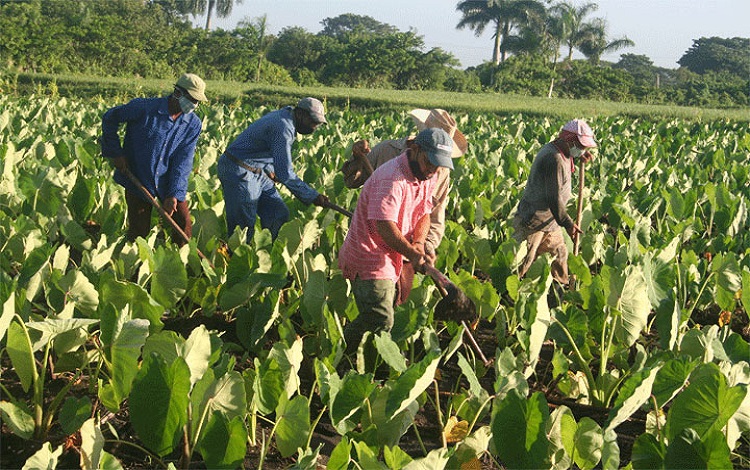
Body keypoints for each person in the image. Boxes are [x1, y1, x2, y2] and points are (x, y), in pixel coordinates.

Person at [338, 127, 455, 355]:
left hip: (392, 256)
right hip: (369, 255)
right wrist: (411, 252)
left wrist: (419, 244)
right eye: (429, 161)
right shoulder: (391, 178)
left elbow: (424, 214)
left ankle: (353, 355)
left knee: (382, 313)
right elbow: (385, 228)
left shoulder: (426, 175)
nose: (433, 169)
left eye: (438, 164)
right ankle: (348, 359)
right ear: (415, 149)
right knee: (381, 320)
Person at [341, 109, 468, 304]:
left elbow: (432, 213)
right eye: (431, 161)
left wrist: (423, 245)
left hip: (409, 246)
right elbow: (352, 181)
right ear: (418, 146)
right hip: (374, 246)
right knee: (379, 312)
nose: (434, 169)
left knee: (397, 304)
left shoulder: (437, 172)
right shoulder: (387, 151)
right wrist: (356, 159)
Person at [101, 73, 207, 245]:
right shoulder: (144, 108)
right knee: (139, 230)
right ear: (178, 93)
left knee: (183, 223)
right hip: (139, 176)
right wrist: (116, 152)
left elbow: (183, 160)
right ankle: (134, 267)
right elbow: (110, 118)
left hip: (167, 179)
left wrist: (173, 194)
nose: (194, 105)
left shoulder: (192, 124)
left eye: (197, 102)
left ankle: (181, 261)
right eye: (192, 99)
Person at [217, 97, 330, 242]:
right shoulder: (283, 126)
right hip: (239, 170)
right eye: (313, 122)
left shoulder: (287, 116)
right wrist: (312, 196)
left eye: (318, 124)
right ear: (301, 114)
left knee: (278, 213)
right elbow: (285, 174)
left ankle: (268, 251)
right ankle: (235, 258)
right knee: (243, 228)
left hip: (257, 170)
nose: (314, 127)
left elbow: (265, 149)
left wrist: (270, 168)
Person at [512, 119, 597, 288]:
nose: (583, 150)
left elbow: (566, 161)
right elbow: (554, 198)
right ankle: (508, 296)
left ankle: (558, 294)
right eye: (581, 146)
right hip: (534, 220)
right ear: (571, 141)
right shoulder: (554, 158)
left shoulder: (560, 150)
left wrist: (578, 156)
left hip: (550, 221)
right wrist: (568, 224)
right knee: (523, 262)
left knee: (559, 255)